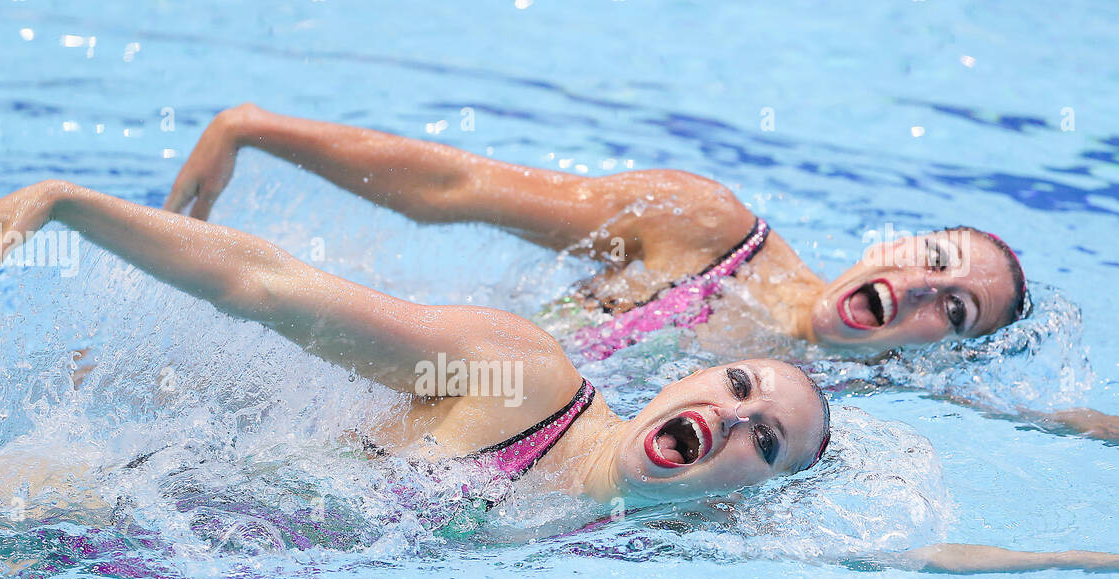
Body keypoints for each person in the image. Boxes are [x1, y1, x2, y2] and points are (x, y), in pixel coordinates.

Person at [0, 179, 1119, 574]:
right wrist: (70, 205)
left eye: (768, 439)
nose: (736, 419)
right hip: (67, 500)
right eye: (742, 390)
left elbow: (915, 563)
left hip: (128, 574)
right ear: (689, 386)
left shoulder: (658, 541)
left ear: (751, 491)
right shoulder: (523, 379)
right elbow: (272, 290)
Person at [161, 103, 1119, 440]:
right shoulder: (703, 227)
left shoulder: (794, 416)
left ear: (932, 354)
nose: (921, 292)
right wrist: (257, 128)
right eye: (935, 263)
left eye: (953, 313)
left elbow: (1034, 419)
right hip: (395, 376)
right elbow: (459, 186)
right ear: (895, 244)